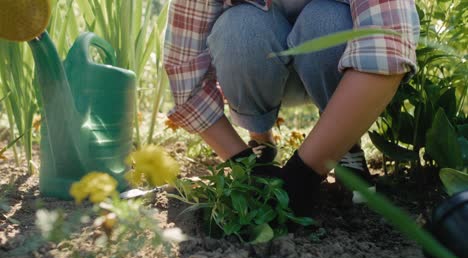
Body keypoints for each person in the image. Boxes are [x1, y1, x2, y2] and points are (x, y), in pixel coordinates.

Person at [164, 0, 420, 216]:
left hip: (337, 63)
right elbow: (185, 74)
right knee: (240, 29)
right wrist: (243, 165)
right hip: (261, 58)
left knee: (326, 23)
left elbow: (387, 48)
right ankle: (260, 142)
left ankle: (344, 146)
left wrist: (303, 174)